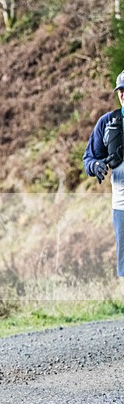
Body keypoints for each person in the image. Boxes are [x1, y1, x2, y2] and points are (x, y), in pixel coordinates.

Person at [83, 69, 124, 289]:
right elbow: (88, 157)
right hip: (121, 207)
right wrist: (95, 165)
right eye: (121, 91)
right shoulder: (108, 122)